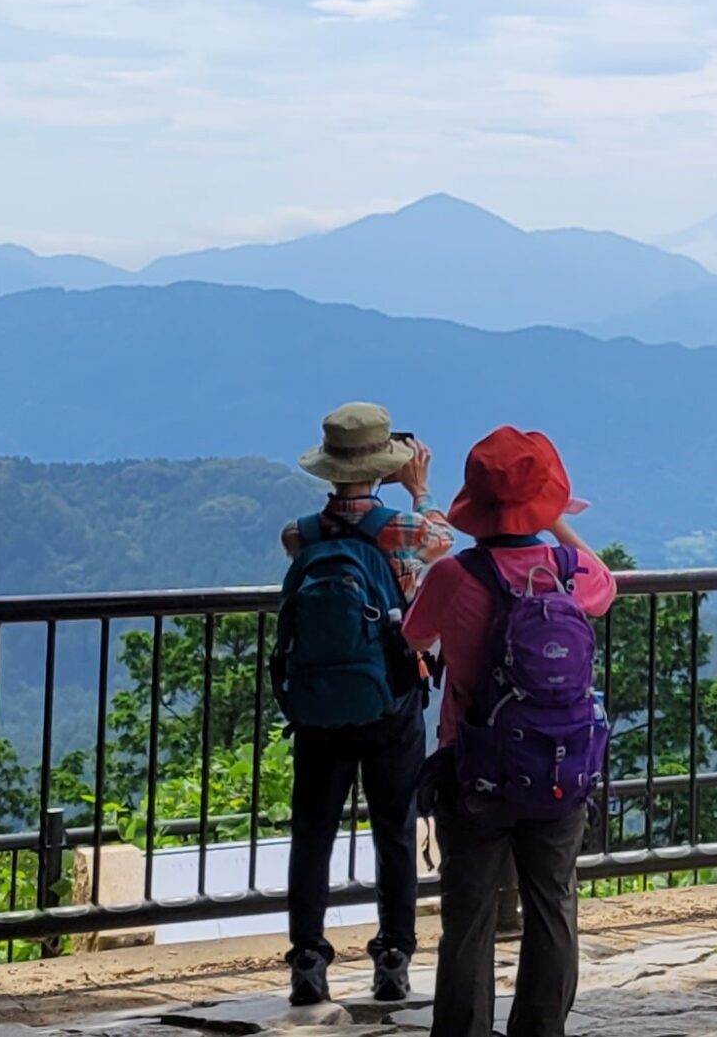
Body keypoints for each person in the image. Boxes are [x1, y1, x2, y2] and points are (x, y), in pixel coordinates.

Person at [403, 427, 615, 1037]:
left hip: (475, 769)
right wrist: (558, 525)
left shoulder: (455, 575)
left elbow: (415, 637)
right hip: (559, 768)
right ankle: (541, 1028)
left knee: (467, 914)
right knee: (553, 905)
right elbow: (608, 583)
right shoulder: (571, 572)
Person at [280, 403, 452, 1007]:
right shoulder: (400, 530)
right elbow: (443, 542)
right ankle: (393, 958)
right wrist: (421, 488)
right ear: (385, 464)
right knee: (395, 829)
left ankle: (307, 959)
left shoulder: (299, 534)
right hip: (392, 701)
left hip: (319, 705)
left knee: (313, 832)